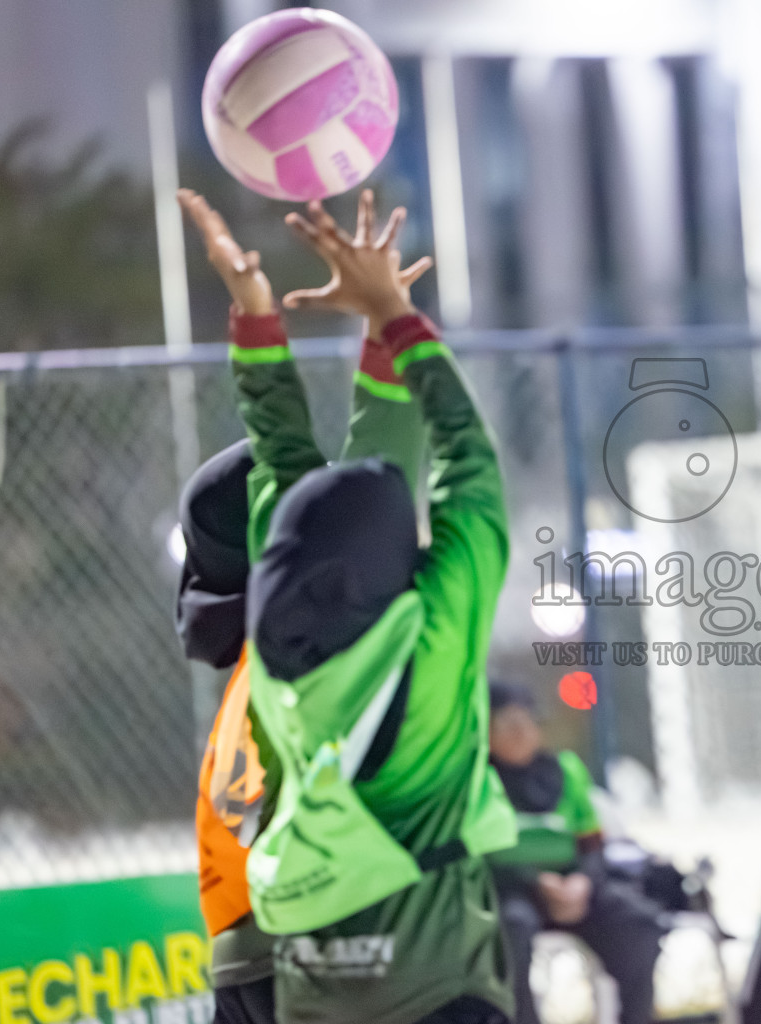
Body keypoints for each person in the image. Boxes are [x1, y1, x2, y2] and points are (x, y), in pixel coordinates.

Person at [178, 187, 517, 1024]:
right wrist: (390, 313)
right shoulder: (433, 642)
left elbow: (289, 472)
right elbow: (461, 460)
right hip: (434, 988)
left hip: (288, 978)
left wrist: (262, 321)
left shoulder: (278, 661)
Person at [176, 300, 428, 1024]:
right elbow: (381, 466)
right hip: (318, 950)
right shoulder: (313, 648)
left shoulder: (256, 662)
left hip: (242, 953)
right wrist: (388, 329)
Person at [484, 681, 666, 1024]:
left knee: (638, 922)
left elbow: (592, 842)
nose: (520, 733)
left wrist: (582, 881)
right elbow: (478, 855)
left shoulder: (565, 770)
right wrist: (536, 882)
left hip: (574, 887)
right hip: (511, 889)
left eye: (527, 722)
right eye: (507, 725)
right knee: (511, 930)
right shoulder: (478, 780)